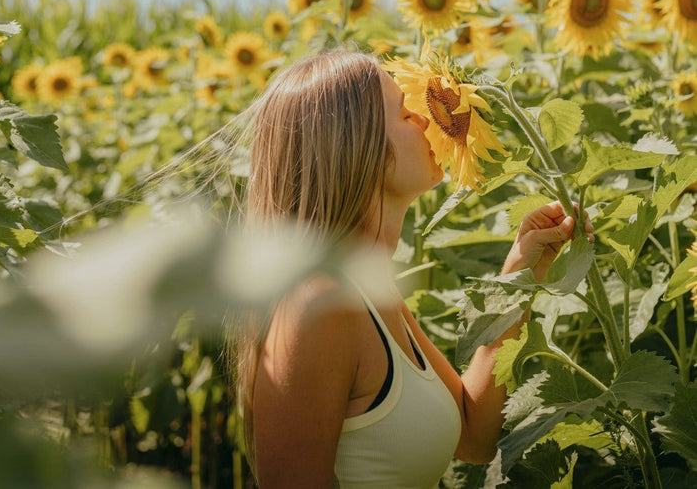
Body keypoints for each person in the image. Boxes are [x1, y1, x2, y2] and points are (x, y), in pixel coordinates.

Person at [232, 48, 592, 488]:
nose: (427, 120)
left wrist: (520, 273)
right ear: (356, 148)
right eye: (405, 113)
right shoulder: (318, 305)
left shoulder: (367, 286)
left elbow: (474, 436)